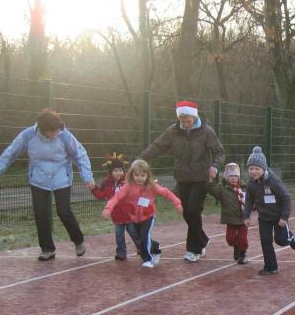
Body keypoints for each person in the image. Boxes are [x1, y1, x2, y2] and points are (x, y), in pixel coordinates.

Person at [0, 108, 95, 261]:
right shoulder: (28, 135)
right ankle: (47, 249)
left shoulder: (65, 135)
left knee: (64, 211)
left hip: (61, 177)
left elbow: (80, 155)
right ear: (44, 130)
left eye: (58, 130)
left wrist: (87, 177)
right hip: (38, 178)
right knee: (40, 214)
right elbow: (11, 152)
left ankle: (78, 240)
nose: (56, 133)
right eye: (53, 131)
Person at [139, 100, 224, 263]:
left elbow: (219, 152)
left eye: (188, 121)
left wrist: (214, 166)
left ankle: (194, 249)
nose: (185, 124)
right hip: (182, 177)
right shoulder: (173, 131)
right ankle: (202, 239)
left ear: (194, 117)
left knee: (193, 211)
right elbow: (157, 146)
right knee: (186, 212)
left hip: (201, 178)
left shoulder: (206, 131)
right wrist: (140, 159)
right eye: (182, 121)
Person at [102, 159, 182, 268]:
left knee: (145, 236)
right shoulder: (128, 187)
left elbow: (167, 193)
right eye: (136, 175)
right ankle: (156, 248)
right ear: (131, 175)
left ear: (147, 175)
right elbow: (116, 197)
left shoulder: (152, 186)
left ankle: (148, 259)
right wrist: (108, 209)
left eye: (143, 175)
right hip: (134, 219)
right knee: (141, 239)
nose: (139, 178)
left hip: (148, 216)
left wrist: (177, 203)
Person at [243, 146, 295, 275]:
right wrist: (246, 216)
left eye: (257, 169)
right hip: (264, 217)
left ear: (264, 169)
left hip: (279, 216)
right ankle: (270, 266)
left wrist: (284, 217)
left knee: (281, 240)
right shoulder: (250, 184)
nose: (253, 172)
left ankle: (291, 238)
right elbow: (248, 200)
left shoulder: (273, 181)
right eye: (251, 168)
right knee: (265, 241)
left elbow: (286, 198)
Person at [90, 152, 140, 260]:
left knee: (134, 232)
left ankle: (142, 248)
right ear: (111, 172)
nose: (118, 173)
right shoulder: (106, 183)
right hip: (117, 216)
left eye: (120, 170)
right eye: (115, 171)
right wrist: (93, 188)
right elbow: (101, 195)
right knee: (119, 235)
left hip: (130, 214)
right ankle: (121, 253)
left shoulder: (129, 180)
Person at [207, 162, 249, 264]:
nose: (233, 178)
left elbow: (252, 199)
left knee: (243, 239)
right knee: (230, 239)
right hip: (230, 219)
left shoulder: (244, 188)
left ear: (239, 177)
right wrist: (211, 177)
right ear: (226, 177)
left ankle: (243, 255)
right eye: (230, 176)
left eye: (235, 176)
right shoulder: (222, 190)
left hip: (243, 219)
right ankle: (236, 247)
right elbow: (211, 187)